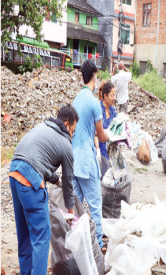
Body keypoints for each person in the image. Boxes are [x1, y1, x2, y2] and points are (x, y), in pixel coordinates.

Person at [8, 104, 78, 275]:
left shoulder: (43, 128)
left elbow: (40, 158)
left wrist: (53, 180)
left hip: (14, 172)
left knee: (25, 234)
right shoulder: (65, 144)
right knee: (41, 237)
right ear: (67, 124)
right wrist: (71, 211)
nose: (72, 135)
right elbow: (69, 182)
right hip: (30, 180)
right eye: (73, 130)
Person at [72, 59, 109, 250]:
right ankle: (98, 245)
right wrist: (111, 135)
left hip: (73, 161)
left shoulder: (76, 100)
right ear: (94, 76)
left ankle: (73, 243)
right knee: (95, 205)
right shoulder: (94, 103)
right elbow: (101, 136)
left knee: (75, 206)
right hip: (86, 160)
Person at [98, 81, 117, 160]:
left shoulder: (113, 111)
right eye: (112, 96)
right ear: (105, 96)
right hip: (98, 149)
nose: (114, 98)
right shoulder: (98, 109)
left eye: (114, 95)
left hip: (110, 150)